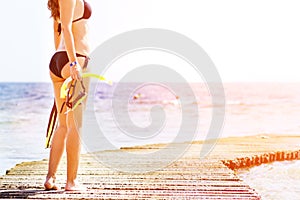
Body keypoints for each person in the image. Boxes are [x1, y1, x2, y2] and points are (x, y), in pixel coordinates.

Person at [44, 0, 92, 191]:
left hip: (57, 61)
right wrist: (73, 63)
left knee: (63, 124)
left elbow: (57, 33)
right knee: (75, 125)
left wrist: (63, 61)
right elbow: (65, 27)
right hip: (76, 60)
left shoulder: (56, 2)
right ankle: (71, 182)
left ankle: (50, 178)